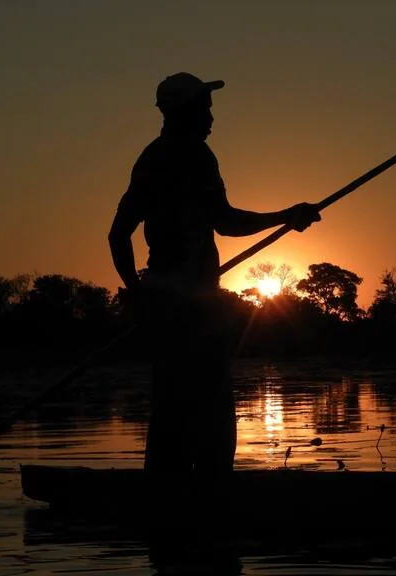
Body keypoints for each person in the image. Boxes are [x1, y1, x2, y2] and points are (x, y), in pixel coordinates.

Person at [107, 72, 320, 523]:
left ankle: (166, 514)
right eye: (204, 107)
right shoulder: (194, 155)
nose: (211, 116)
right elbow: (224, 221)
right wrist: (287, 215)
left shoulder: (150, 158)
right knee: (212, 408)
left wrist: (139, 293)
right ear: (183, 112)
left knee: (171, 409)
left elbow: (118, 234)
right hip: (193, 308)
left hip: (166, 302)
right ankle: (210, 506)